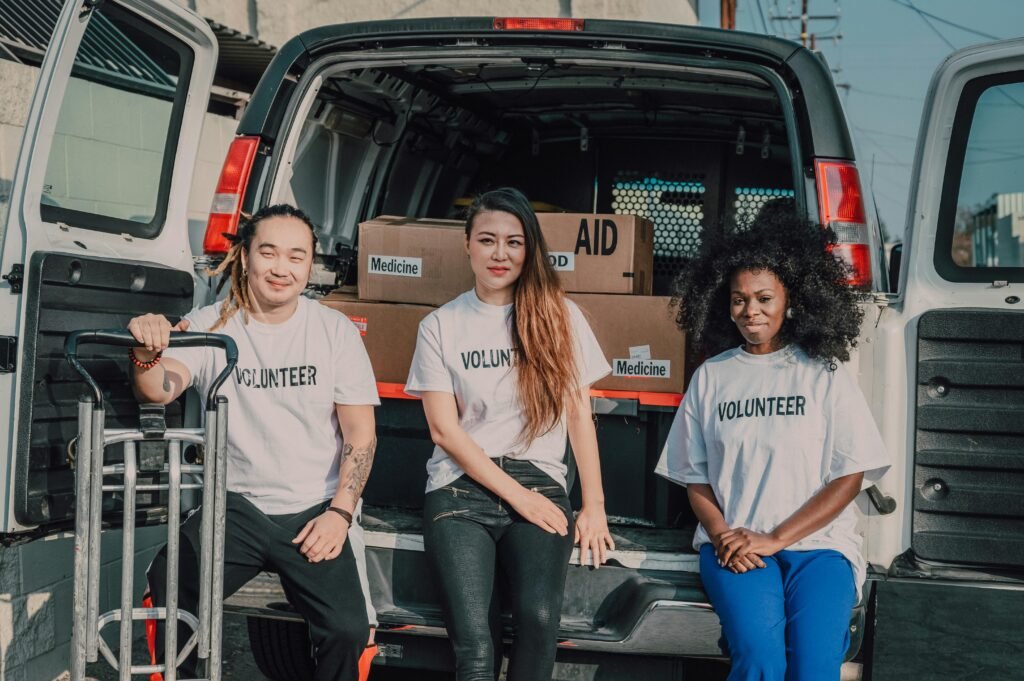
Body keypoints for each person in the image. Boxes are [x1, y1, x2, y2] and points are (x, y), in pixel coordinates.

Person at [128, 204, 378, 681]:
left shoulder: (334, 332)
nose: (281, 268)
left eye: (296, 257)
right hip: (234, 508)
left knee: (348, 630)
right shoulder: (211, 324)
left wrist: (340, 514)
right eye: (269, 252)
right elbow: (159, 390)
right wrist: (146, 353)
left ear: (309, 266)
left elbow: (360, 435)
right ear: (245, 258)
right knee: (167, 591)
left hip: (314, 508)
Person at [655, 210, 890, 681]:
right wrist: (723, 534)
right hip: (736, 545)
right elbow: (694, 476)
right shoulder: (712, 377)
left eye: (764, 298)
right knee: (761, 661)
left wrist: (779, 537)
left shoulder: (823, 372)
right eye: (739, 300)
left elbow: (852, 474)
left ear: (791, 300)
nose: (751, 311)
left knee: (814, 666)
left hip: (820, 549)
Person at [405, 187, 615, 681]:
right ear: (467, 246)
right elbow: (444, 431)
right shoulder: (441, 325)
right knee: (475, 645)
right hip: (459, 488)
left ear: (530, 249)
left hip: (540, 480)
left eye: (514, 242)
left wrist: (594, 506)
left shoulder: (558, 315)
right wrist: (517, 498)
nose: (501, 254)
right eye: (488, 240)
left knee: (539, 621)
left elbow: (580, 416)